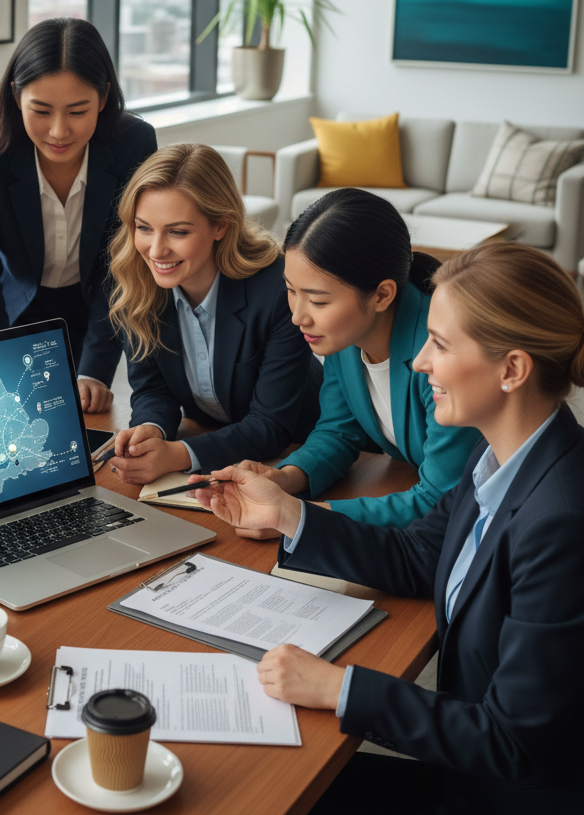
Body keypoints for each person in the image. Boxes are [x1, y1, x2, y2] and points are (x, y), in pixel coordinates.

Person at [191, 241, 584, 814]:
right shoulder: (503, 458)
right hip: (468, 770)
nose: (419, 362)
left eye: (440, 344)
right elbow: (418, 555)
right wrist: (287, 513)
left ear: (513, 370)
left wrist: (338, 688)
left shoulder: (561, 523)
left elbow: (512, 740)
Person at [0, 17, 157, 414]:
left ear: (103, 97)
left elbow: (123, 267)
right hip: (8, 319)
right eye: (41, 111)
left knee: (81, 432)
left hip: (96, 314)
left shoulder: (134, 143)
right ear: (16, 96)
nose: (59, 131)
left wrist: (94, 370)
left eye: (78, 111)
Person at [246, 189, 480, 528]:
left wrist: (301, 518)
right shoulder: (345, 332)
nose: (297, 316)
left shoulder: (442, 352)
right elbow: (338, 432)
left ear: (382, 295)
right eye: (291, 290)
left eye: (318, 301)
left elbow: (440, 499)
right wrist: (284, 480)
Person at [105, 144, 322, 483]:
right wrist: (151, 430)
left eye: (178, 231)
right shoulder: (136, 284)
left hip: (301, 455)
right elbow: (152, 389)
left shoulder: (279, 291)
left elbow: (271, 426)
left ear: (220, 227)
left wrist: (178, 455)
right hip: (221, 448)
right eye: (144, 227)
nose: (156, 249)